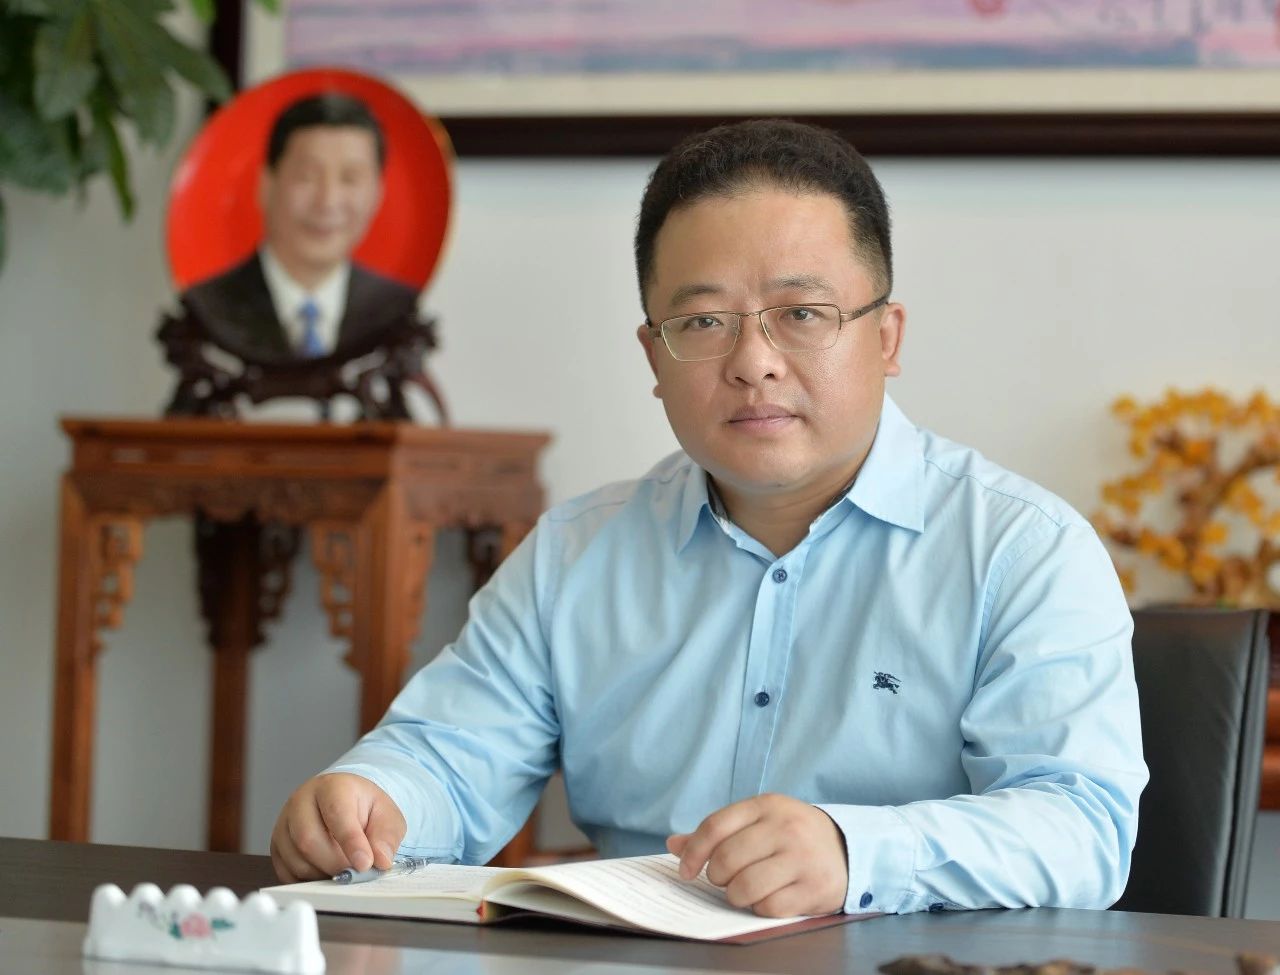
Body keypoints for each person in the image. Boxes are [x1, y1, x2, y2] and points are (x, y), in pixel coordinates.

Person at [270, 119, 1148, 919]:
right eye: (703, 321)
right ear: (654, 357)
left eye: (801, 314)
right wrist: (371, 799)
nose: (753, 362)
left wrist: (856, 852)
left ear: (886, 338)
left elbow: (1082, 828)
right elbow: (448, 755)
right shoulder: (576, 552)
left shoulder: (1023, 551)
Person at [182, 93, 419, 364]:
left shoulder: (395, 308)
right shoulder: (210, 304)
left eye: (350, 179)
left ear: (378, 193)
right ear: (266, 186)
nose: (327, 202)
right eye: (307, 177)